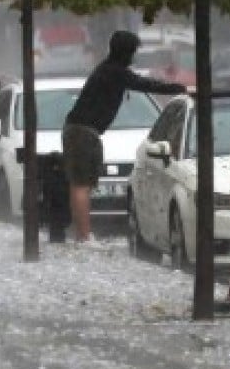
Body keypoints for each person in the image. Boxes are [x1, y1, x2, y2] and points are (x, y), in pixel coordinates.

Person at [63, 30, 188, 244]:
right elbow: (147, 85)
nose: (133, 57)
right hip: (83, 132)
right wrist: (180, 88)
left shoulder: (107, 69)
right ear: (127, 52)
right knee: (82, 185)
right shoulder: (115, 72)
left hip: (78, 130)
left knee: (80, 184)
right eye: (133, 52)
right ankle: (83, 237)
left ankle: (81, 234)